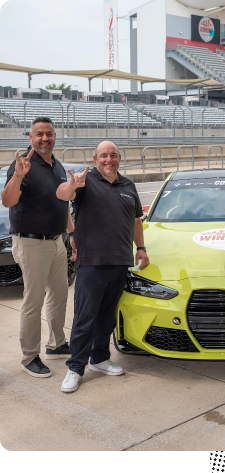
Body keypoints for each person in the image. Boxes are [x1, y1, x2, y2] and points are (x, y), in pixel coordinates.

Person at [56, 140, 149, 393]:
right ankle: (75, 367)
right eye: (103, 156)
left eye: (113, 155)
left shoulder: (128, 185)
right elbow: (63, 196)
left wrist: (141, 248)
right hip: (92, 263)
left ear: (119, 158)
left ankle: (99, 359)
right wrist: (72, 184)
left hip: (120, 261)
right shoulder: (85, 182)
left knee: (107, 317)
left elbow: (136, 220)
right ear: (95, 159)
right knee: (85, 318)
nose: (109, 159)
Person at [1, 116, 74, 378]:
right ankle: (29, 356)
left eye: (49, 134)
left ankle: (56, 344)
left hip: (56, 242)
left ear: (55, 137)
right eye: (39, 134)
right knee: (34, 300)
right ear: (31, 138)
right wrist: (18, 177)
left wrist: (71, 233)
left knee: (59, 294)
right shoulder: (22, 166)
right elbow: (8, 201)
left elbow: (63, 201)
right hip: (31, 242)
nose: (45, 138)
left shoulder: (57, 165)